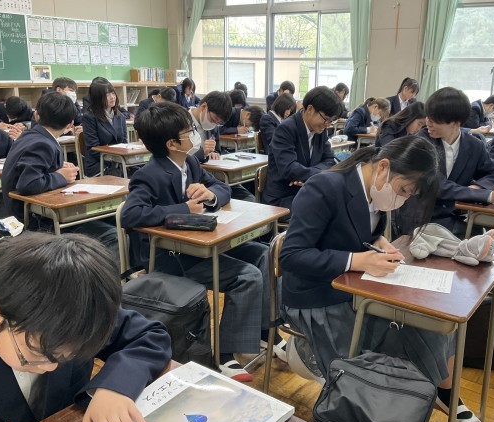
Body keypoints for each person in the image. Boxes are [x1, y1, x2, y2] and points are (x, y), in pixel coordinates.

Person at [280, 139, 486, 422]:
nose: (402, 199)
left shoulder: (375, 191)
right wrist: (357, 260)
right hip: (315, 296)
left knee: (432, 322)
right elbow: (292, 255)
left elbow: (358, 233)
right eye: (403, 190)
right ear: (384, 167)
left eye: (409, 195)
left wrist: (377, 243)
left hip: (353, 287)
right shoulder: (325, 186)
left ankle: (439, 394)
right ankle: (391, 414)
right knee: (388, 348)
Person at [0, 233, 171, 422]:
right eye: (35, 353)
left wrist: (114, 387)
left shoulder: (74, 306)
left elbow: (149, 335)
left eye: (68, 355)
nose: (51, 367)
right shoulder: (22, 307)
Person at [121, 102, 278, 381]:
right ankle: (226, 356)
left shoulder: (190, 162)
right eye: (188, 131)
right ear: (171, 144)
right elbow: (130, 215)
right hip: (172, 257)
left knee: (262, 254)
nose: (195, 134)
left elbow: (222, 187)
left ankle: (265, 331)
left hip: (198, 245)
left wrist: (210, 194)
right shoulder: (149, 174)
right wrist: (183, 209)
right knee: (247, 276)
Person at [411, 87, 494, 298]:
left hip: (462, 216)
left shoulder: (473, 145)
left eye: (435, 120)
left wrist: (478, 187)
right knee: (481, 252)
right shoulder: (420, 142)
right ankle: (485, 300)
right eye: (428, 117)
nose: (428, 123)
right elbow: (437, 185)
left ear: (455, 123)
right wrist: (485, 195)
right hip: (427, 219)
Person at [1, 92, 119, 258]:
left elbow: (31, 169)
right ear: (70, 124)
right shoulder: (42, 143)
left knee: (111, 219)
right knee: (113, 235)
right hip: (36, 221)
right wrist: (61, 176)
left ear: (37, 115)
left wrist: (56, 167)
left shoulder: (31, 136)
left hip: (35, 213)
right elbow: (28, 184)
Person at [262, 86, 342, 214]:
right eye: (326, 119)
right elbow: (289, 169)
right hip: (283, 199)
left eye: (331, 121)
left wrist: (306, 176)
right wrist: (318, 173)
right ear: (310, 109)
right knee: (329, 209)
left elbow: (329, 160)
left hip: (307, 192)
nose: (328, 124)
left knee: (340, 201)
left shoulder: (320, 130)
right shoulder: (286, 129)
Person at [188, 91, 255, 202]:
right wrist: (202, 153)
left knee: (249, 198)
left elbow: (218, 149)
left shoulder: (213, 126)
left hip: (212, 174)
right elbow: (180, 158)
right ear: (204, 107)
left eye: (218, 123)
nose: (214, 124)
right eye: (213, 120)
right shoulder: (182, 123)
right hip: (192, 178)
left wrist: (214, 152)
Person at [81, 77, 128, 177]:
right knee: (120, 175)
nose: (112, 97)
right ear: (97, 98)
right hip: (99, 164)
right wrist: (115, 159)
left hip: (118, 162)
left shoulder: (120, 116)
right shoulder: (89, 117)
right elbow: (94, 148)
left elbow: (124, 142)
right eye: (107, 95)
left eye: (113, 93)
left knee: (141, 171)